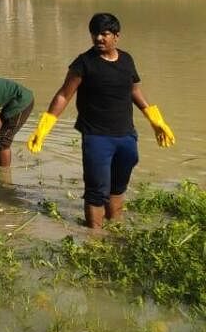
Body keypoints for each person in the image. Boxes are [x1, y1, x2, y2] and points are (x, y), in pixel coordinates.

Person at [27, 12, 175, 229]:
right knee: (97, 190)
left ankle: (114, 228)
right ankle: (94, 239)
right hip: (97, 137)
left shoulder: (126, 60)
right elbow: (63, 95)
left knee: (118, 188)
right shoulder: (83, 63)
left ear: (116, 36)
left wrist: (155, 120)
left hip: (126, 135)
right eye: (95, 34)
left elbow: (134, 90)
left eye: (104, 34)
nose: (98, 38)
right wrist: (45, 126)